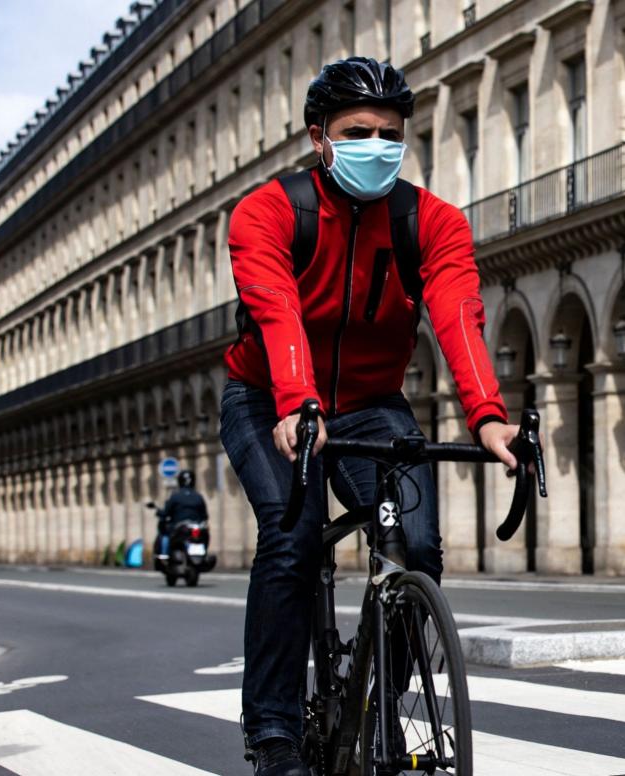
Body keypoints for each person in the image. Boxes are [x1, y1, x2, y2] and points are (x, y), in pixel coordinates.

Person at [218, 57, 519, 776]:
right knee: (290, 538)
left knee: (417, 548)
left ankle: (383, 707)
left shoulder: (432, 223)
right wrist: (297, 401)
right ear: (319, 136)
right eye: (358, 132)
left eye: (391, 133)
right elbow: (275, 310)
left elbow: (458, 315)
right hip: (266, 397)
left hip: (372, 403)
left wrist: (488, 417)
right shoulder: (267, 212)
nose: (377, 146)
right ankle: (274, 732)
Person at [154, 469, 207, 558]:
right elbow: (204, 515)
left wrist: (159, 512)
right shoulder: (198, 496)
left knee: (165, 534)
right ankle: (204, 552)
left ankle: (164, 555)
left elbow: (166, 512)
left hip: (180, 527)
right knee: (204, 533)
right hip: (196, 527)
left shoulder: (175, 496)